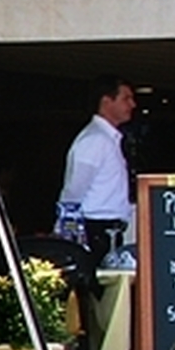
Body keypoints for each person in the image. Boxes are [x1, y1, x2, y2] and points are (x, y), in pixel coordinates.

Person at [59, 76, 136, 264]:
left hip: (108, 230)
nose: (133, 104)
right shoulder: (95, 140)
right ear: (106, 102)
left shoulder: (106, 139)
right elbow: (73, 192)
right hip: (95, 231)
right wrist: (67, 232)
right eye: (126, 99)